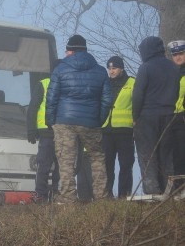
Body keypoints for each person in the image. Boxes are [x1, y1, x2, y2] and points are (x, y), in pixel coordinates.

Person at [45, 34, 112, 202]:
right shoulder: (100, 71)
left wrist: (51, 121)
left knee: (66, 160)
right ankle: (101, 198)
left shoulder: (60, 69)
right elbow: (106, 100)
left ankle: (68, 197)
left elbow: (51, 98)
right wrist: (98, 119)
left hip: (64, 122)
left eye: (67, 50)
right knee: (97, 158)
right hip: (90, 122)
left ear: (71, 51)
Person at [132, 36, 180, 195]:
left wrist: (135, 116)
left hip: (147, 117)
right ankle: (169, 191)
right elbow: (176, 92)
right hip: (168, 115)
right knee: (166, 155)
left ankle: (152, 191)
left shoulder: (145, 67)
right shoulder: (174, 67)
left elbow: (138, 94)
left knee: (147, 154)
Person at [100, 56, 135, 198]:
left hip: (125, 130)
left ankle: (124, 196)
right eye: (109, 68)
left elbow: (138, 104)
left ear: (121, 68)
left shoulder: (132, 83)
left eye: (114, 68)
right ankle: (107, 195)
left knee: (126, 164)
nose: (111, 71)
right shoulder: (105, 83)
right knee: (107, 164)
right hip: (107, 130)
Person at [26, 70, 60, 202]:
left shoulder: (66, 85)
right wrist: (31, 129)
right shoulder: (44, 84)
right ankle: (42, 194)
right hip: (48, 132)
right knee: (45, 165)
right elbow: (33, 108)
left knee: (60, 166)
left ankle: (53, 194)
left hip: (61, 132)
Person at [167, 40, 185, 197]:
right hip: (173, 119)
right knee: (176, 156)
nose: (178, 57)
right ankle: (179, 190)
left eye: (181, 54)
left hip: (183, 118)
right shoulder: (169, 73)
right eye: (175, 55)